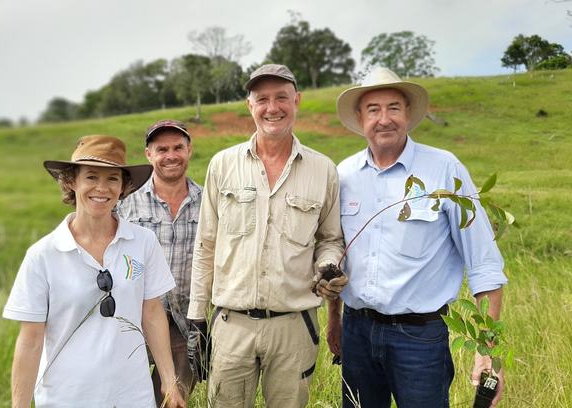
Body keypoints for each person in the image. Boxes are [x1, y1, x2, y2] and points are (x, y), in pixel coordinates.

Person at [327, 67, 508, 408]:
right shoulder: (343, 174)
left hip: (420, 338)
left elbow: (484, 264)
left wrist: (487, 352)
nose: (384, 119)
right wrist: (334, 319)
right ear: (359, 117)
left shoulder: (444, 169)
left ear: (408, 114)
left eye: (394, 107)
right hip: (357, 333)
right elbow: (337, 255)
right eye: (373, 109)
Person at [187, 64, 348, 407]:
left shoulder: (324, 170)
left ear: (297, 101)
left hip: (293, 325)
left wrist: (329, 264)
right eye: (262, 99)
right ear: (250, 105)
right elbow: (206, 245)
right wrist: (196, 317)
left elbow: (331, 239)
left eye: (281, 98)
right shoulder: (222, 164)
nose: (272, 108)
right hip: (232, 325)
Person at [3, 135, 186, 408]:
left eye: (112, 178)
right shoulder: (43, 255)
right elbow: (30, 341)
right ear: (71, 181)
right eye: (91, 177)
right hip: (66, 398)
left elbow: (152, 313)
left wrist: (169, 382)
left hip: (132, 396)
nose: (102, 188)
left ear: (123, 187)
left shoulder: (143, 242)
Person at [117, 120, 202, 404]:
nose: (171, 155)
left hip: (184, 325)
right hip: (133, 322)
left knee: (173, 399)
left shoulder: (207, 202)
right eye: (161, 149)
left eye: (178, 147)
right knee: (130, 398)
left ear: (189, 150)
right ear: (148, 154)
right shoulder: (126, 203)